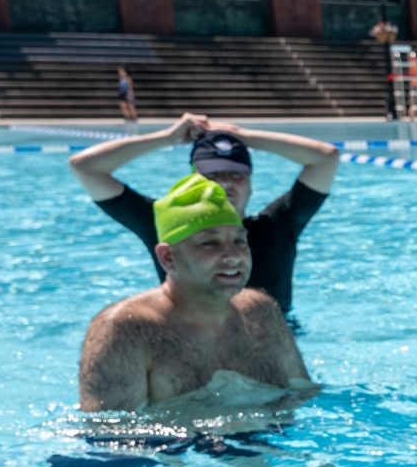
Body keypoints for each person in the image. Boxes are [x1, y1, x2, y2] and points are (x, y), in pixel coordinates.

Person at [78, 175, 313, 415]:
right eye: (209, 243)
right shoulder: (127, 329)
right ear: (168, 257)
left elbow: (304, 394)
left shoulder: (262, 311)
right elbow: (110, 437)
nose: (233, 256)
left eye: (240, 241)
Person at [69, 114, 338, 315]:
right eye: (213, 175)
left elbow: (326, 157)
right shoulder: (166, 226)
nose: (226, 184)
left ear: (251, 184)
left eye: (237, 175)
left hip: (276, 347)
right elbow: (85, 167)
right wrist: (167, 137)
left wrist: (243, 135)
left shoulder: (276, 226)